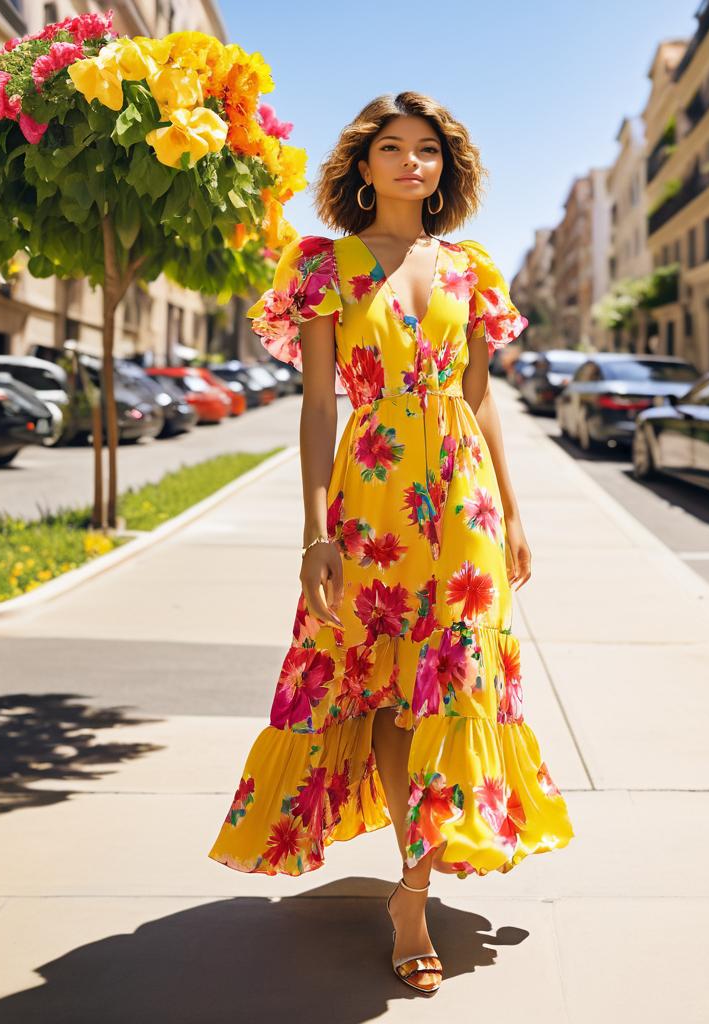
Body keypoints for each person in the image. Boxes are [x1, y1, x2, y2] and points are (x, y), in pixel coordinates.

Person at [207, 91, 574, 995]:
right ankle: (411, 893)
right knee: (375, 682)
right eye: (393, 148)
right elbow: (320, 403)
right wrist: (314, 531)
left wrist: (516, 513)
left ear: (445, 168)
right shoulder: (325, 265)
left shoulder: (471, 269)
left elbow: (481, 395)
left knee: (452, 685)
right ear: (363, 165)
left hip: (464, 501)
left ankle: (414, 881)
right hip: (371, 495)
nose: (413, 163)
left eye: (428, 151)